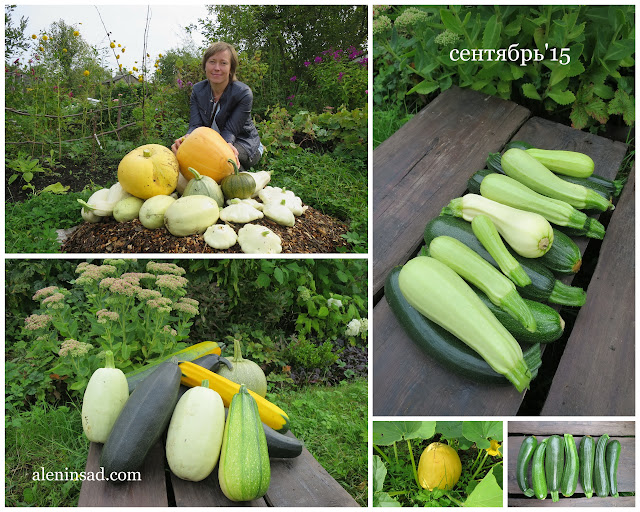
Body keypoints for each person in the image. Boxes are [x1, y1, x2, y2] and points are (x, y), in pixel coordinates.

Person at [171, 41, 263, 170]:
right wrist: (187, 140)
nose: (217, 68)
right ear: (205, 66)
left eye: (223, 63)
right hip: (212, 144)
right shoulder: (198, 90)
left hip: (243, 142)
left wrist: (225, 147)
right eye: (212, 61)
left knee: (222, 164)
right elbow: (195, 126)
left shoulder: (243, 93)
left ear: (231, 68)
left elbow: (230, 131)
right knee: (184, 156)